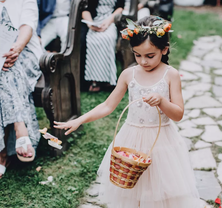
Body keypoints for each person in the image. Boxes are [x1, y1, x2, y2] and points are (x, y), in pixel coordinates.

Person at [54, 16, 200, 207]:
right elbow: (107, 106)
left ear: (164, 50)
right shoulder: (128, 74)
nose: (143, 61)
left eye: (150, 56)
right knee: (131, 192)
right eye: (137, 55)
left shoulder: (170, 75)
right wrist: (79, 120)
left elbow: (178, 114)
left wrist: (162, 101)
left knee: (160, 193)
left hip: (161, 142)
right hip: (130, 141)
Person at [0, 0, 42, 178]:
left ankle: (2, 154)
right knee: (4, 68)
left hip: (25, 53)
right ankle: (21, 129)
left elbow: (27, 26)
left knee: (6, 70)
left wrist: (15, 49)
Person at [82, 0, 125, 92]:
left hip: (110, 19)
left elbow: (120, 7)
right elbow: (85, 9)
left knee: (108, 38)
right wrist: (90, 24)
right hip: (94, 20)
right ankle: (94, 80)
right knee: (92, 41)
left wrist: (108, 22)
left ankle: (108, 79)